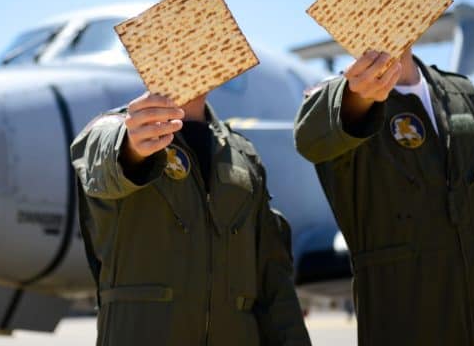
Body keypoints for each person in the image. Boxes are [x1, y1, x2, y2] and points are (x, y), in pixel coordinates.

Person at [293, 0, 474, 345]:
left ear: (410, 3)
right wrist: (357, 98)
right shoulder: (338, 104)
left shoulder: (464, 95)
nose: (376, 15)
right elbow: (313, 137)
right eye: (357, 6)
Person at [71, 91, 311, 345]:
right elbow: (103, 161)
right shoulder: (115, 130)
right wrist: (130, 148)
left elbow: (273, 283)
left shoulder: (243, 154)